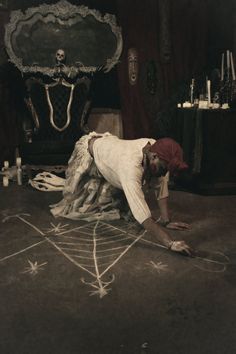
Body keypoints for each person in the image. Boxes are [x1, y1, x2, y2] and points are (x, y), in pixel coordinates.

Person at [50, 132, 193, 256]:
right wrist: (170, 243)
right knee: (81, 204)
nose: (164, 173)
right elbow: (142, 214)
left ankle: (110, 178)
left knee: (120, 193)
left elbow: (161, 183)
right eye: (163, 168)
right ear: (153, 156)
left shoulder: (157, 147)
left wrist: (165, 220)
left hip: (112, 148)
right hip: (90, 149)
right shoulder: (130, 166)